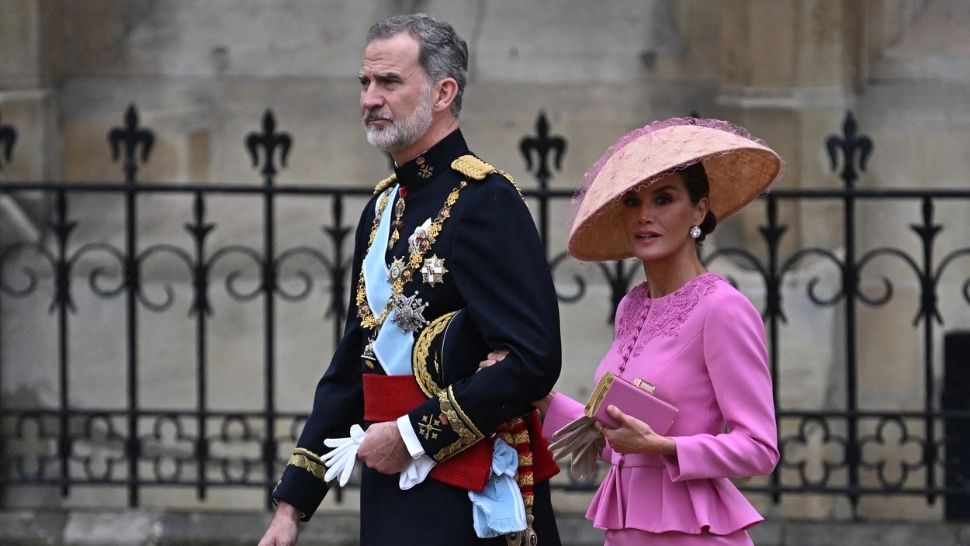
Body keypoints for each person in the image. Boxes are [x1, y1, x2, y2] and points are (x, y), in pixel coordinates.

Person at [257, 13, 562, 546]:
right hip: (388, 485)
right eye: (365, 83)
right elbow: (356, 364)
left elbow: (533, 359)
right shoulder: (381, 207)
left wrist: (413, 436)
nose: (370, 98)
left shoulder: (486, 201)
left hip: (465, 491)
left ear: (443, 92)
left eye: (389, 82)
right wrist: (291, 506)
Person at [484, 117, 782, 545]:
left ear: (700, 210)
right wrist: (539, 396)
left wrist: (665, 447)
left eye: (664, 199)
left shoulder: (723, 309)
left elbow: (760, 449)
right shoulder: (631, 306)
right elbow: (618, 441)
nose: (645, 215)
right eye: (632, 201)